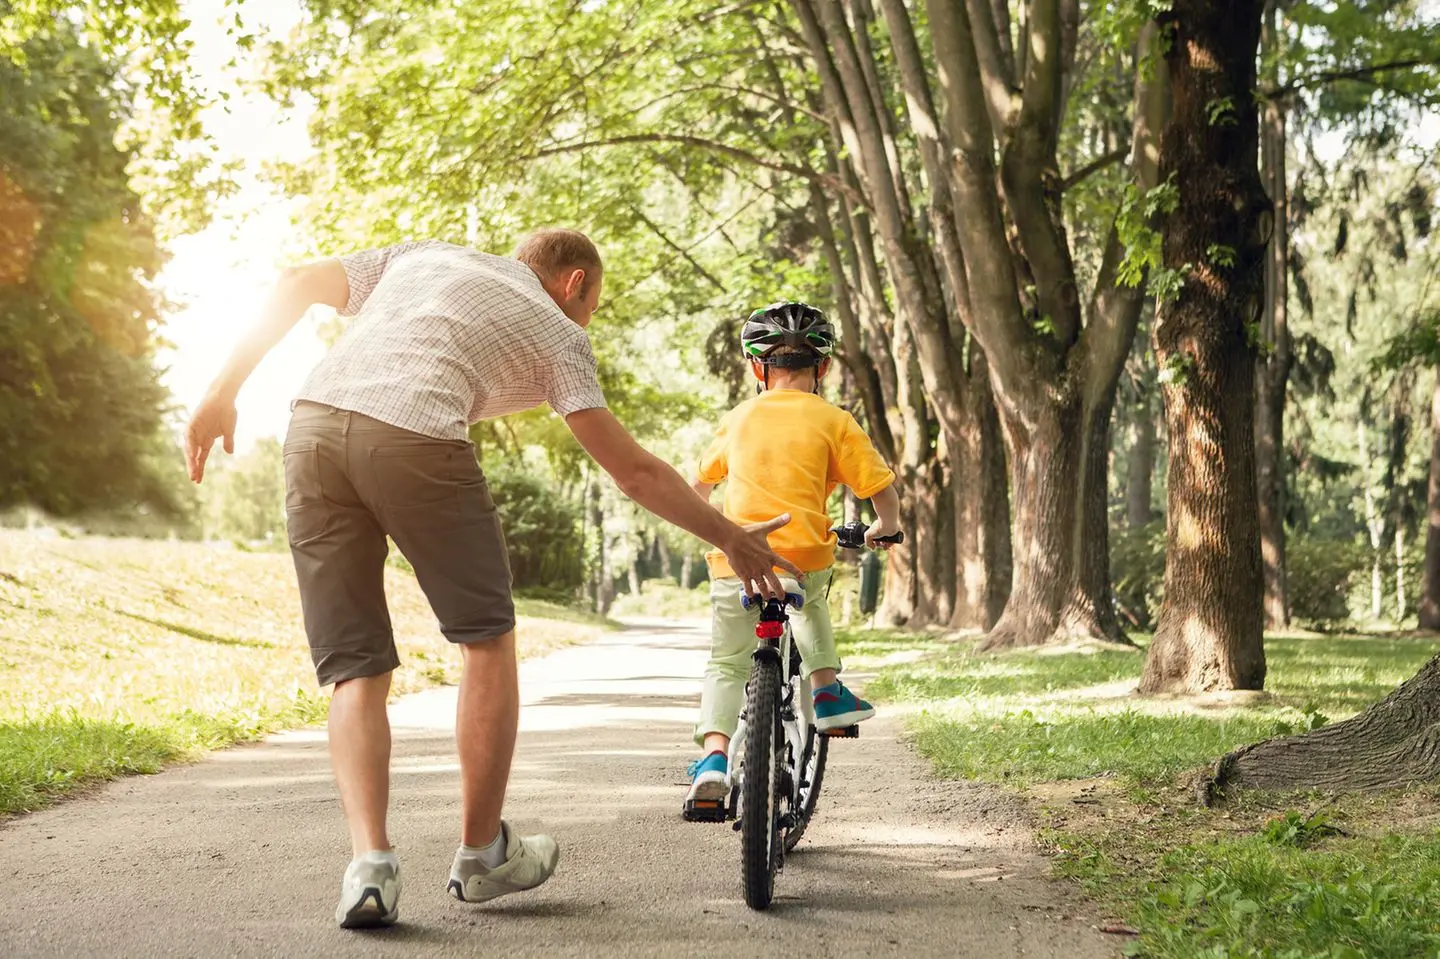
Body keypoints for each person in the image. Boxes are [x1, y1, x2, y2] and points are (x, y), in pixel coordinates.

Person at [184, 230, 801, 929]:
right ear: (573, 284)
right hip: (416, 436)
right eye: (592, 305)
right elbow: (633, 471)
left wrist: (220, 392)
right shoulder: (560, 331)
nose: (587, 320)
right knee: (486, 640)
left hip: (312, 432)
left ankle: (370, 866)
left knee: (355, 665)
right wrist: (730, 537)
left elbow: (295, 280)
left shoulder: (421, 255)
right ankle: (481, 854)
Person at [683, 301, 903, 811]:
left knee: (726, 662)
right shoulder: (835, 420)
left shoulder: (738, 418)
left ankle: (713, 758)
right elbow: (880, 490)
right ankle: (825, 689)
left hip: (737, 559)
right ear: (822, 367)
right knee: (811, 601)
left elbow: (697, 489)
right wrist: (885, 528)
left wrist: (718, 531)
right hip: (803, 553)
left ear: (756, 367)